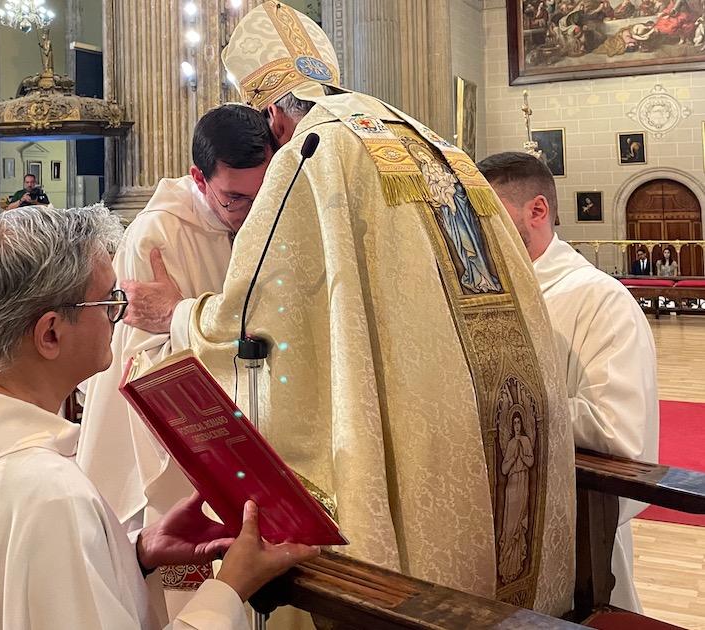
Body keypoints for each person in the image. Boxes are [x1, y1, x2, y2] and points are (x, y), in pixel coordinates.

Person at [120, 2, 574, 615]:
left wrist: (178, 316)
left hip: (391, 420)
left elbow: (256, 330)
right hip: (466, 414)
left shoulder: (311, 153)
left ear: (272, 113)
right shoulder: (425, 136)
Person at [0, 206, 317, 630]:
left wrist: (133, 554)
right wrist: (230, 588)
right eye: (107, 302)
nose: (119, 318)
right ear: (50, 333)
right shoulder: (46, 493)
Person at [77, 103, 274, 618]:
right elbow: (143, 367)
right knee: (179, 590)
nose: (250, 213)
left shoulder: (260, 220)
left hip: (238, 421)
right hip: (176, 443)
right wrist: (190, 324)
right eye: (234, 198)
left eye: (261, 195)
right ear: (197, 177)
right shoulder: (157, 235)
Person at [479, 151, 659, 612]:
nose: (477, 232)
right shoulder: (484, 295)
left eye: (488, 213)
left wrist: (491, 404)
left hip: (575, 532)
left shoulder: (600, 300)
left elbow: (615, 430)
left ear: (537, 211)